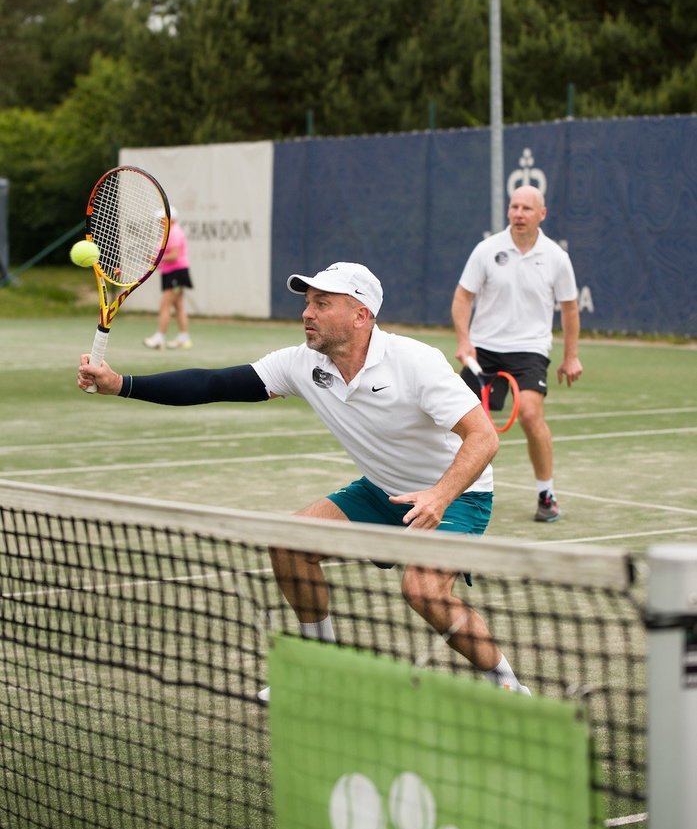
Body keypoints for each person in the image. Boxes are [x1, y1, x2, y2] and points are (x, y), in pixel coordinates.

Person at [78, 261, 529, 696]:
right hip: (382, 490)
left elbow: (483, 437)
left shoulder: (415, 361)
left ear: (360, 315)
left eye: (321, 303)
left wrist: (439, 496)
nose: (307, 313)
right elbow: (214, 383)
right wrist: (122, 384)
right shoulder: (302, 364)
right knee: (289, 542)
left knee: (423, 591)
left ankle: (508, 685)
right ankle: (320, 667)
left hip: (458, 495)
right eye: (308, 302)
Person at [452, 185, 583, 523]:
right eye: (514, 207)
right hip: (484, 350)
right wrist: (464, 341)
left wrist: (571, 356)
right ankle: (450, 489)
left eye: (526, 208)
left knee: (529, 414)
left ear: (542, 214)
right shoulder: (487, 250)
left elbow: (570, 309)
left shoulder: (556, 257)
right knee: (456, 421)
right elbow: (463, 297)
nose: (518, 214)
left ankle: (546, 493)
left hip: (529, 350)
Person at [144, 206, 194, 350]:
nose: (160, 221)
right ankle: (184, 338)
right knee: (178, 306)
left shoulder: (174, 232)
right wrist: (156, 260)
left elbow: (174, 255)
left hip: (176, 273)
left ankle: (159, 338)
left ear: (171, 219)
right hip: (172, 273)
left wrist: (156, 259)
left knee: (165, 305)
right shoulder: (169, 232)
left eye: (162, 219)